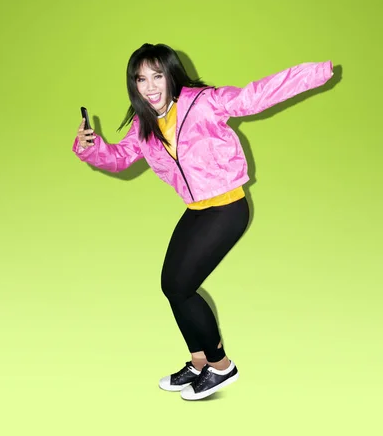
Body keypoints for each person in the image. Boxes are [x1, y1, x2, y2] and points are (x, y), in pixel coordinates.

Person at [72, 43, 333, 401]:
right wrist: (90, 147)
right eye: (141, 79)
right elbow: (120, 158)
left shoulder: (203, 102)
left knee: (181, 287)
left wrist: (316, 71)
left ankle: (222, 366)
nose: (149, 86)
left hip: (227, 207)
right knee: (171, 286)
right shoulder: (144, 123)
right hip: (197, 209)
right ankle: (199, 363)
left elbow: (256, 96)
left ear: (171, 75)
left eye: (157, 76)